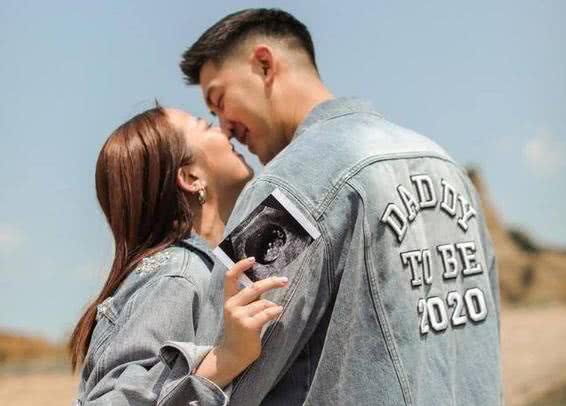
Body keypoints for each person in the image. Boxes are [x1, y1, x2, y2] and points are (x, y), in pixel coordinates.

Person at [177, 8, 502, 405]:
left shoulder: (287, 188)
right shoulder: (444, 165)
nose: (224, 127)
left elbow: (222, 369)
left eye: (219, 100)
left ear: (263, 64)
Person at [70, 106, 289, 405]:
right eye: (206, 125)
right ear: (190, 176)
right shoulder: (178, 274)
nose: (225, 130)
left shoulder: (207, 267)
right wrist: (227, 357)